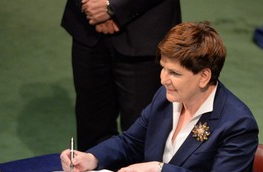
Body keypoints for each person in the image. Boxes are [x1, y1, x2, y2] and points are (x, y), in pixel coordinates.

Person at [60, 21, 263, 172]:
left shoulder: (238, 123)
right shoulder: (165, 99)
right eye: (163, 68)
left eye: (174, 73)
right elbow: (131, 142)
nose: (163, 79)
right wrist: (91, 158)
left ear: (204, 76)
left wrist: (159, 170)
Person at [61, 0, 182, 150]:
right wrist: (90, 6)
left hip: (146, 29)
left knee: (141, 134)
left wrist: (112, 6)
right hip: (87, 28)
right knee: (91, 134)